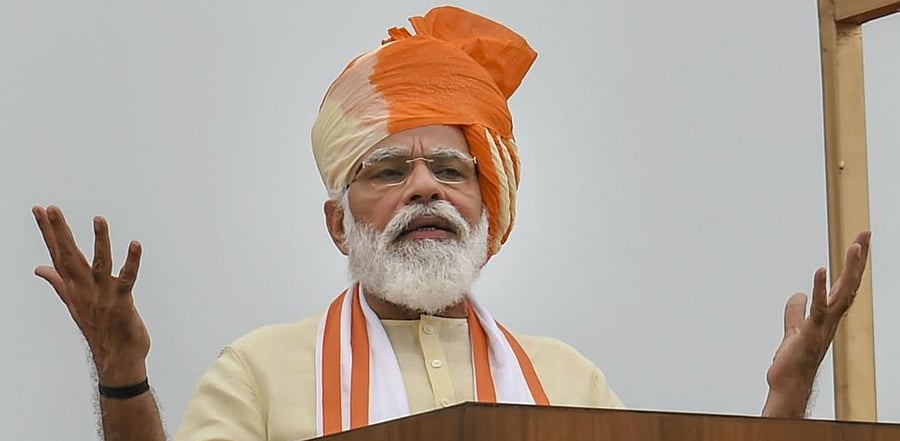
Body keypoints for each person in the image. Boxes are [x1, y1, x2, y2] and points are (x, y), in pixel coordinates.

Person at [31, 6, 872, 441]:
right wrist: (122, 375)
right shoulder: (259, 370)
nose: (425, 188)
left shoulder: (567, 379)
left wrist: (784, 403)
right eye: (387, 171)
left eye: (451, 169)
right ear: (338, 225)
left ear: (487, 208)